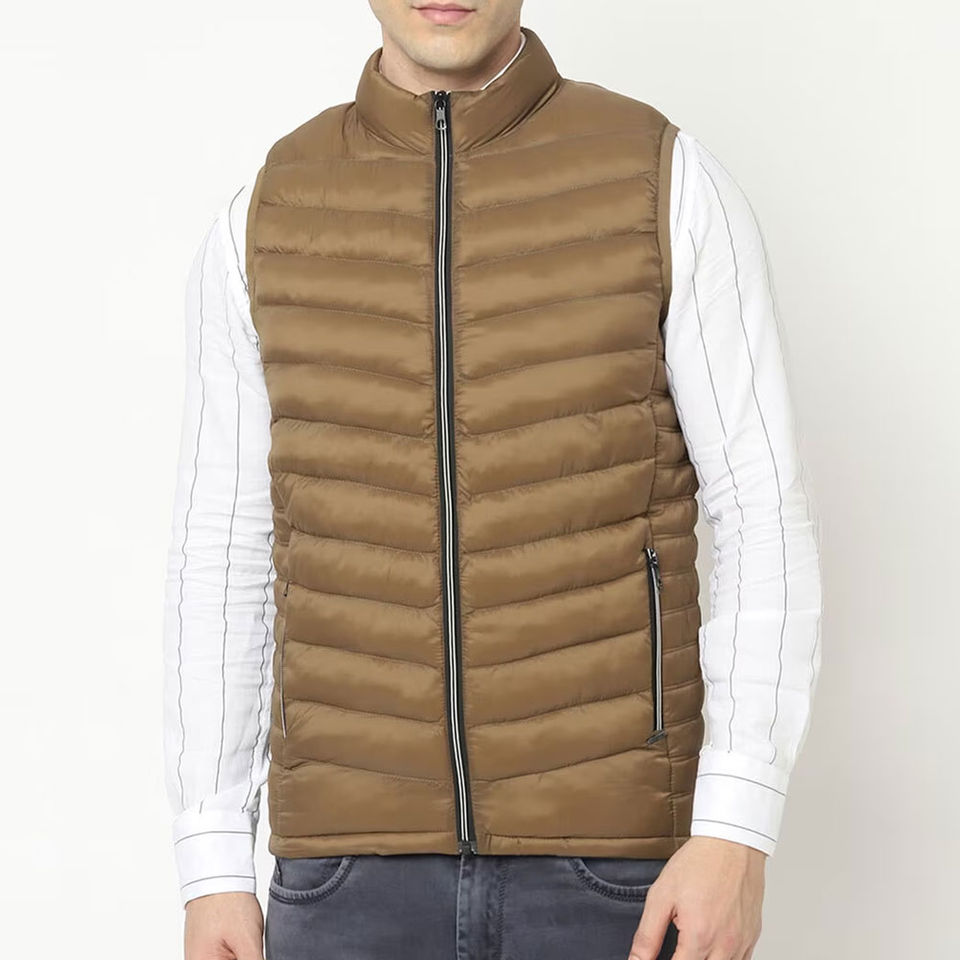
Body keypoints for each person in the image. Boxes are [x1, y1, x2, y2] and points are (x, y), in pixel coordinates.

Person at [162, 3, 823, 958]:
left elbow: (762, 508)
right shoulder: (267, 216)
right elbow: (221, 549)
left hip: (617, 874)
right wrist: (212, 864)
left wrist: (737, 825)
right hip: (345, 883)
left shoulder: (665, 181)